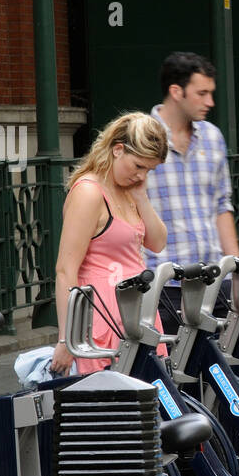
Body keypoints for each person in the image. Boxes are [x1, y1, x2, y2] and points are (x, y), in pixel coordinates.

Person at [51, 113, 169, 376]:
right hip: (101, 323)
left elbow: (158, 242)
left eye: (148, 170)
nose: (141, 176)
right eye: (138, 166)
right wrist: (67, 338)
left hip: (138, 316)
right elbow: (66, 269)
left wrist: (141, 196)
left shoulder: (129, 189)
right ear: (117, 150)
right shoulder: (89, 192)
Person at [145, 51, 239, 267]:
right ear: (177, 92)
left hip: (213, 275)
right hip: (161, 279)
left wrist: (235, 267)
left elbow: (222, 205)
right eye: (202, 93)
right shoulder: (139, 138)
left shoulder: (213, 137)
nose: (210, 102)